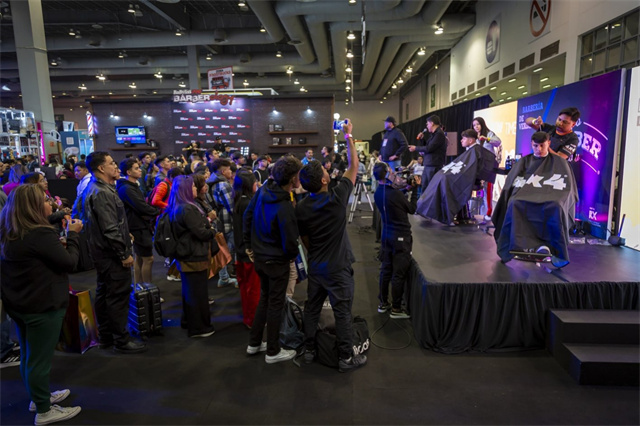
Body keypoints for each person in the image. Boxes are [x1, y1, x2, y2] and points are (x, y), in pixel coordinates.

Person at [0, 184, 83, 425]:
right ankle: (44, 411)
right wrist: (73, 235)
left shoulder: (9, 230)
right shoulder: (40, 234)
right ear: (34, 206)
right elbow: (70, 263)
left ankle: (39, 398)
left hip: (19, 303)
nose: (51, 203)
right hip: (42, 304)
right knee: (39, 361)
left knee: (29, 355)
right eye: (45, 200)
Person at [296, 119, 367, 372]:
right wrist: (349, 136)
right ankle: (346, 358)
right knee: (342, 312)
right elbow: (354, 166)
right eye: (325, 172)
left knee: (312, 309)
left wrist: (315, 252)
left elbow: (304, 239)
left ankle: (309, 350)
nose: (328, 171)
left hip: (317, 266)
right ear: (325, 181)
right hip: (338, 268)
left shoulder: (301, 208)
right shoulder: (337, 198)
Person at [76, 151, 146, 354]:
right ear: (101, 168)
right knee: (117, 296)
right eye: (111, 163)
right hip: (110, 254)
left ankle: (107, 336)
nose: (116, 166)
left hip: (102, 251)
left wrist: (124, 234)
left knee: (105, 293)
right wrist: (124, 253)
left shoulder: (96, 188)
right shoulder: (102, 192)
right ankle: (121, 340)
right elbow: (109, 228)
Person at [243, 155, 302, 364]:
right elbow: (291, 241)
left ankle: (254, 343)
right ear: (293, 178)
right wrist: (291, 257)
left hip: (260, 258)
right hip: (276, 261)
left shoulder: (263, 191)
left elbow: (247, 216)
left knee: (265, 300)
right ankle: (273, 351)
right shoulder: (285, 206)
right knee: (275, 304)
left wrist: (249, 245)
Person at [492, 131, 577, 268]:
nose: (539, 149)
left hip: (552, 196)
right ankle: (517, 245)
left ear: (549, 143)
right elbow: (512, 183)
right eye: (535, 146)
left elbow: (566, 188)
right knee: (514, 202)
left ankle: (552, 247)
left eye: (542, 145)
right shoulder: (524, 161)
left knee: (556, 205)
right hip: (524, 195)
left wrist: (558, 198)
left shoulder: (560, 163)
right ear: (531, 144)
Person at [167, 175, 218, 338]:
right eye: (194, 186)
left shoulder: (179, 205)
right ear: (186, 190)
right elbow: (201, 232)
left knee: (190, 292)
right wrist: (212, 230)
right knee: (197, 293)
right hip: (193, 255)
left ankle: (189, 322)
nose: (196, 188)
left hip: (187, 254)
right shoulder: (187, 209)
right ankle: (199, 328)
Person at [373, 160, 420, 319]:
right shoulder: (395, 194)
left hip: (387, 236)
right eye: (390, 171)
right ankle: (396, 308)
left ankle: (383, 303)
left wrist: (406, 188)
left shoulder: (378, 192)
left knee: (385, 270)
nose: (393, 173)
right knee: (398, 274)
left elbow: (395, 199)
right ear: (386, 174)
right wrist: (415, 190)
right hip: (400, 237)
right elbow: (412, 209)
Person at [116, 159, 161, 285]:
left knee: (140, 258)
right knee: (148, 259)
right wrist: (158, 212)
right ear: (128, 172)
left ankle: (140, 287)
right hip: (137, 227)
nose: (140, 170)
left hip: (137, 225)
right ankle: (147, 288)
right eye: (136, 168)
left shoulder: (131, 186)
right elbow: (141, 206)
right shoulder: (127, 188)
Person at [232, 170, 260, 329]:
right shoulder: (248, 203)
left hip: (240, 250)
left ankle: (248, 317)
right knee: (253, 289)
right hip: (249, 252)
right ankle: (253, 320)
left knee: (245, 288)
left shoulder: (238, 200)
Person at [207, 158, 238, 287]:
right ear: (223, 171)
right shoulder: (223, 185)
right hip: (226, 221)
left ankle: (224, 276)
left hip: (218, 220)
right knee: (228, 249)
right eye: (229, 169)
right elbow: (231, 207)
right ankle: (224, 277)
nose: (231, 172)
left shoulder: (211, 182)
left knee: (223, 248)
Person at [408, 115, 447, 194]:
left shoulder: (439, 134)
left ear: (432, 123)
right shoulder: (434, 135)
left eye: (427, 124)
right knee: (425, 188)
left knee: (431, 189)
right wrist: (422, 139)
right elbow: (428, 146)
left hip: (434, 166)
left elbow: (429, 148)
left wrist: (415, 148)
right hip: (429, 165)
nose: (427, 126)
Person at [472, 117, 502, 219]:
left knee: (488, 190)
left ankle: (488, 213)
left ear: (482, 124)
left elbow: (498, 142)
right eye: (474, 125)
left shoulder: (489, 134)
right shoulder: (473, 137)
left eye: (478, 124)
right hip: (477, 167)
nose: (476, 127)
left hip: (488, 166)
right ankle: (472, 213)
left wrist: (487, 139)